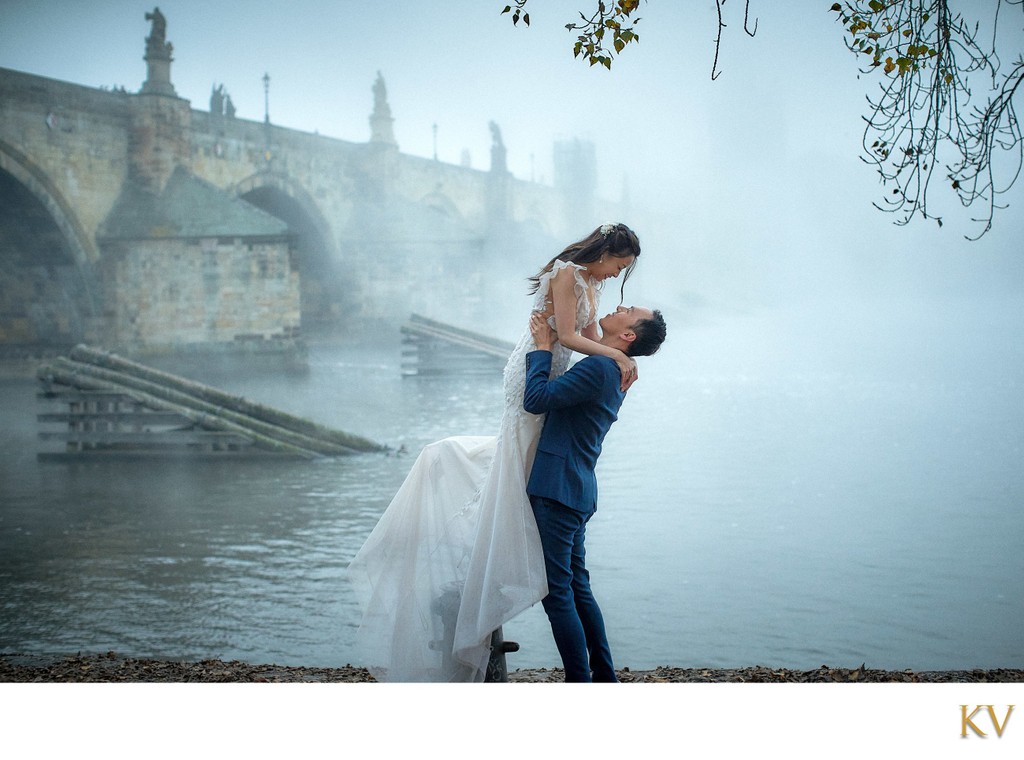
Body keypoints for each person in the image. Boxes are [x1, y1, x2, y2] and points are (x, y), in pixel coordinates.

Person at [347, 223, 642, 682]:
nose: (616, 279)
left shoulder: (596, 324)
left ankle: (589, 683)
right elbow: (568, 337)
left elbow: (578, 344)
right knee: (520, 477)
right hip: (540, 380)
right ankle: (596, 681)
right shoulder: (570, 278)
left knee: (561, 583)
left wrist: (615, 356)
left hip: (551, 397)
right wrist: (616, 356)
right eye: (619, 266)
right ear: (605, 252)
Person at [524, 305, 667, 682]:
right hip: (577, 487)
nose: (619, 306)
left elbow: (536, 400)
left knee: (557, 593)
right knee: (577, 586)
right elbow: (583, 336)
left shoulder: (601, 368)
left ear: (629, 335)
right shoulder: (612, 364)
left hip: (557, 487)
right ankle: (604, 676)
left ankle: (581, 681)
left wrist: (540, 348)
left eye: (629, 310)